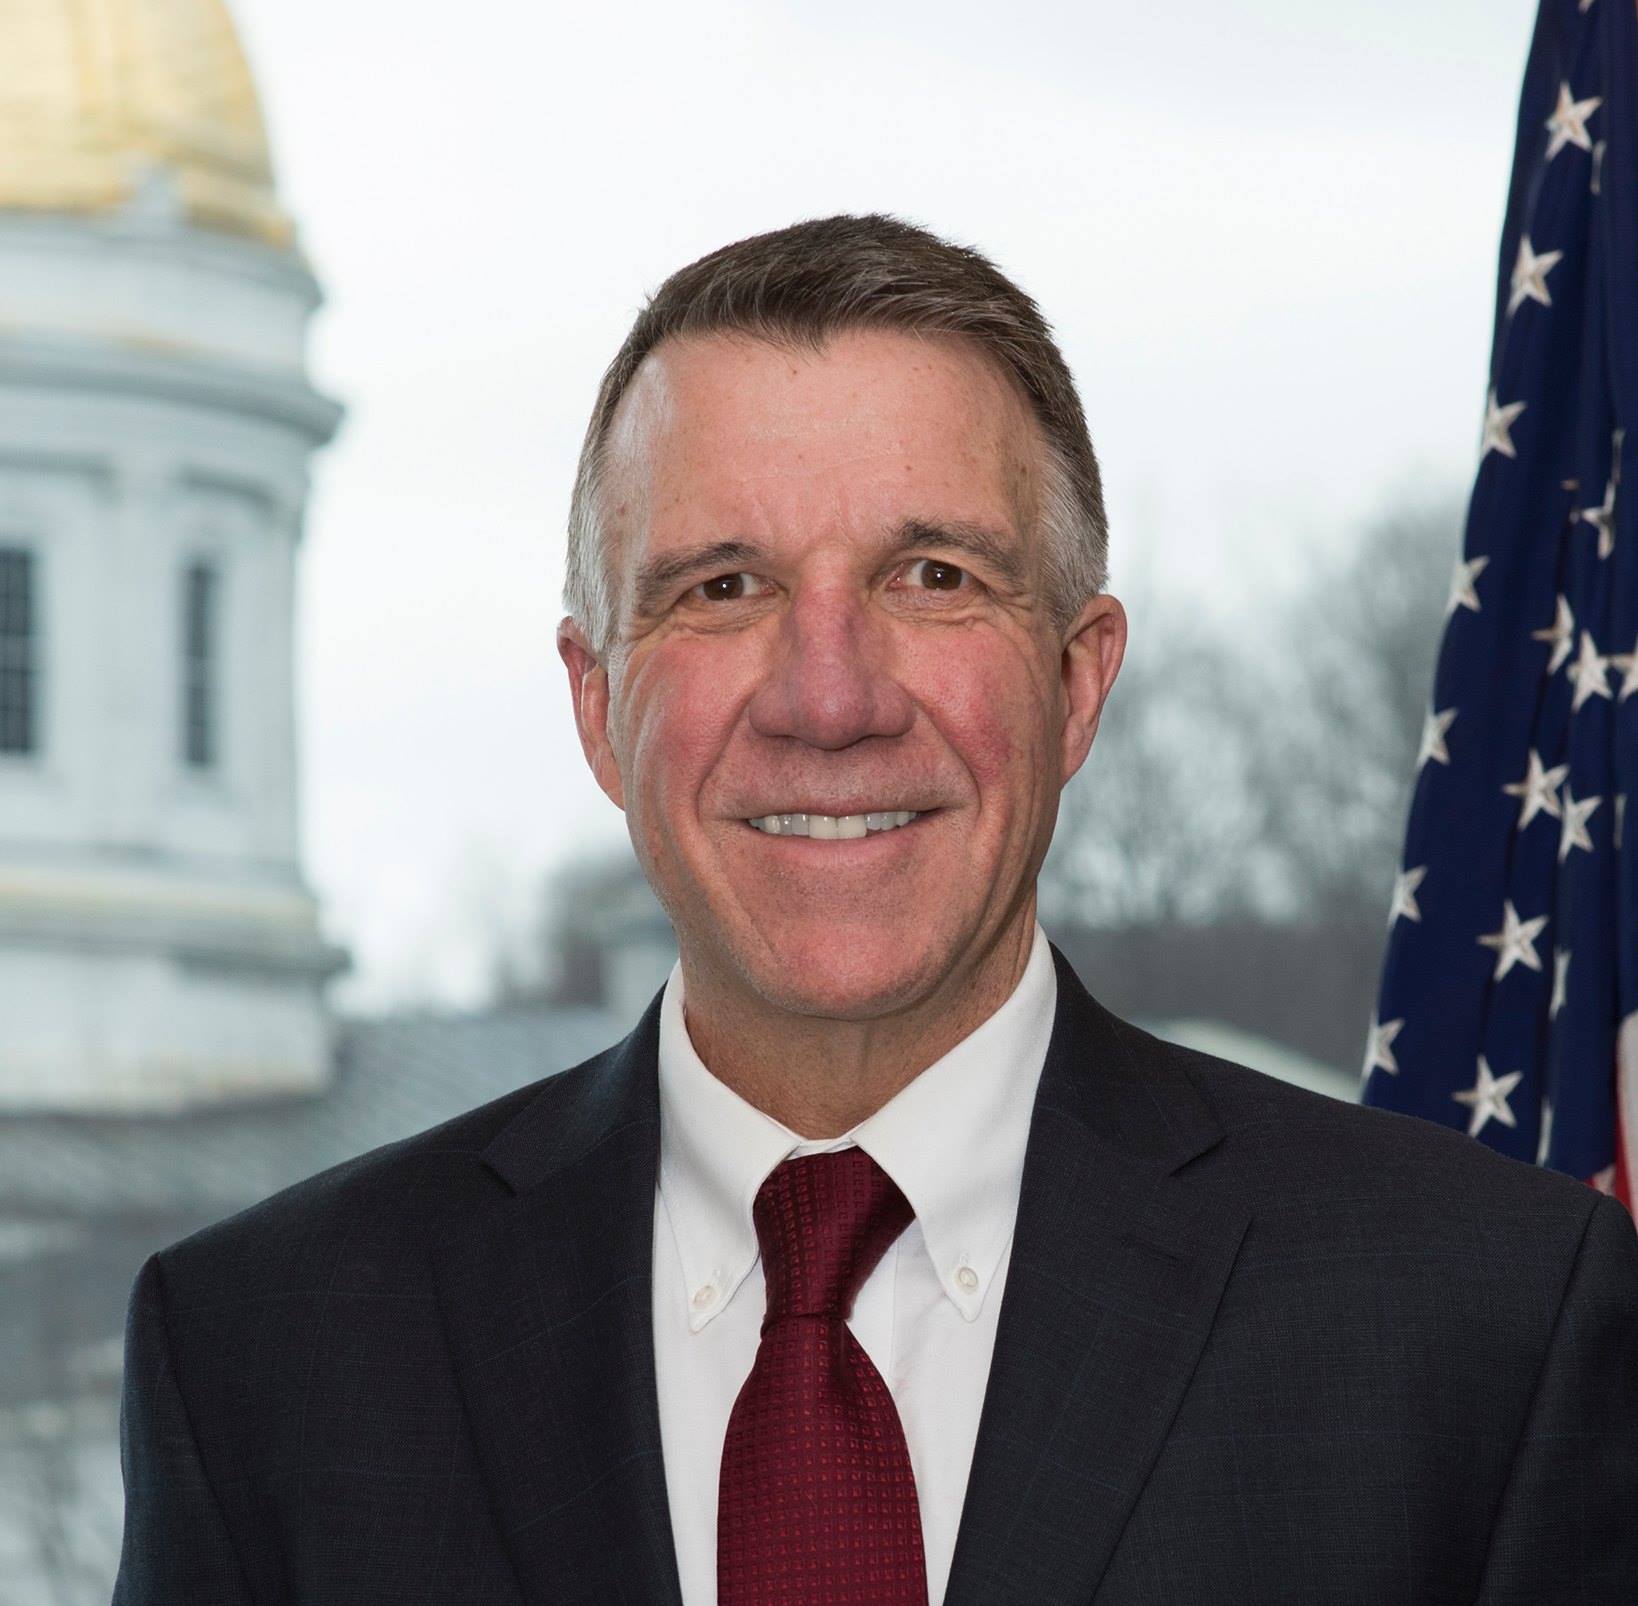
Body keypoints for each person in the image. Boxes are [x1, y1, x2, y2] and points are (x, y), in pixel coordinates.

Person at [113, 214, 1638, 1606]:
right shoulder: (265, 1360)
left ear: (1075, 679)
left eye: (931, 575)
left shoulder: (1483, 1326)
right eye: (722, 586)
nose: (828, 697)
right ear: (595, 701)